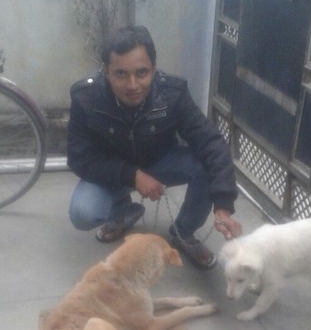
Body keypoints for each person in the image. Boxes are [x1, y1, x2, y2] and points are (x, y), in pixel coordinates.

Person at [67, 25, 242, 269]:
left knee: (202, 165)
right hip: (114, 172)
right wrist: (132, 175)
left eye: (141, 73)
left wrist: (223, 205)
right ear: (106, 71)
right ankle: (124, 212)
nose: (133, 84)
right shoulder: (86, 98)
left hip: (162, 163)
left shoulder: (173, 93)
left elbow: (210, 141)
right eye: (121, 74)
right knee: (82, 213)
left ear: (153, 68)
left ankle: (183, 232)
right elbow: (79, 158)